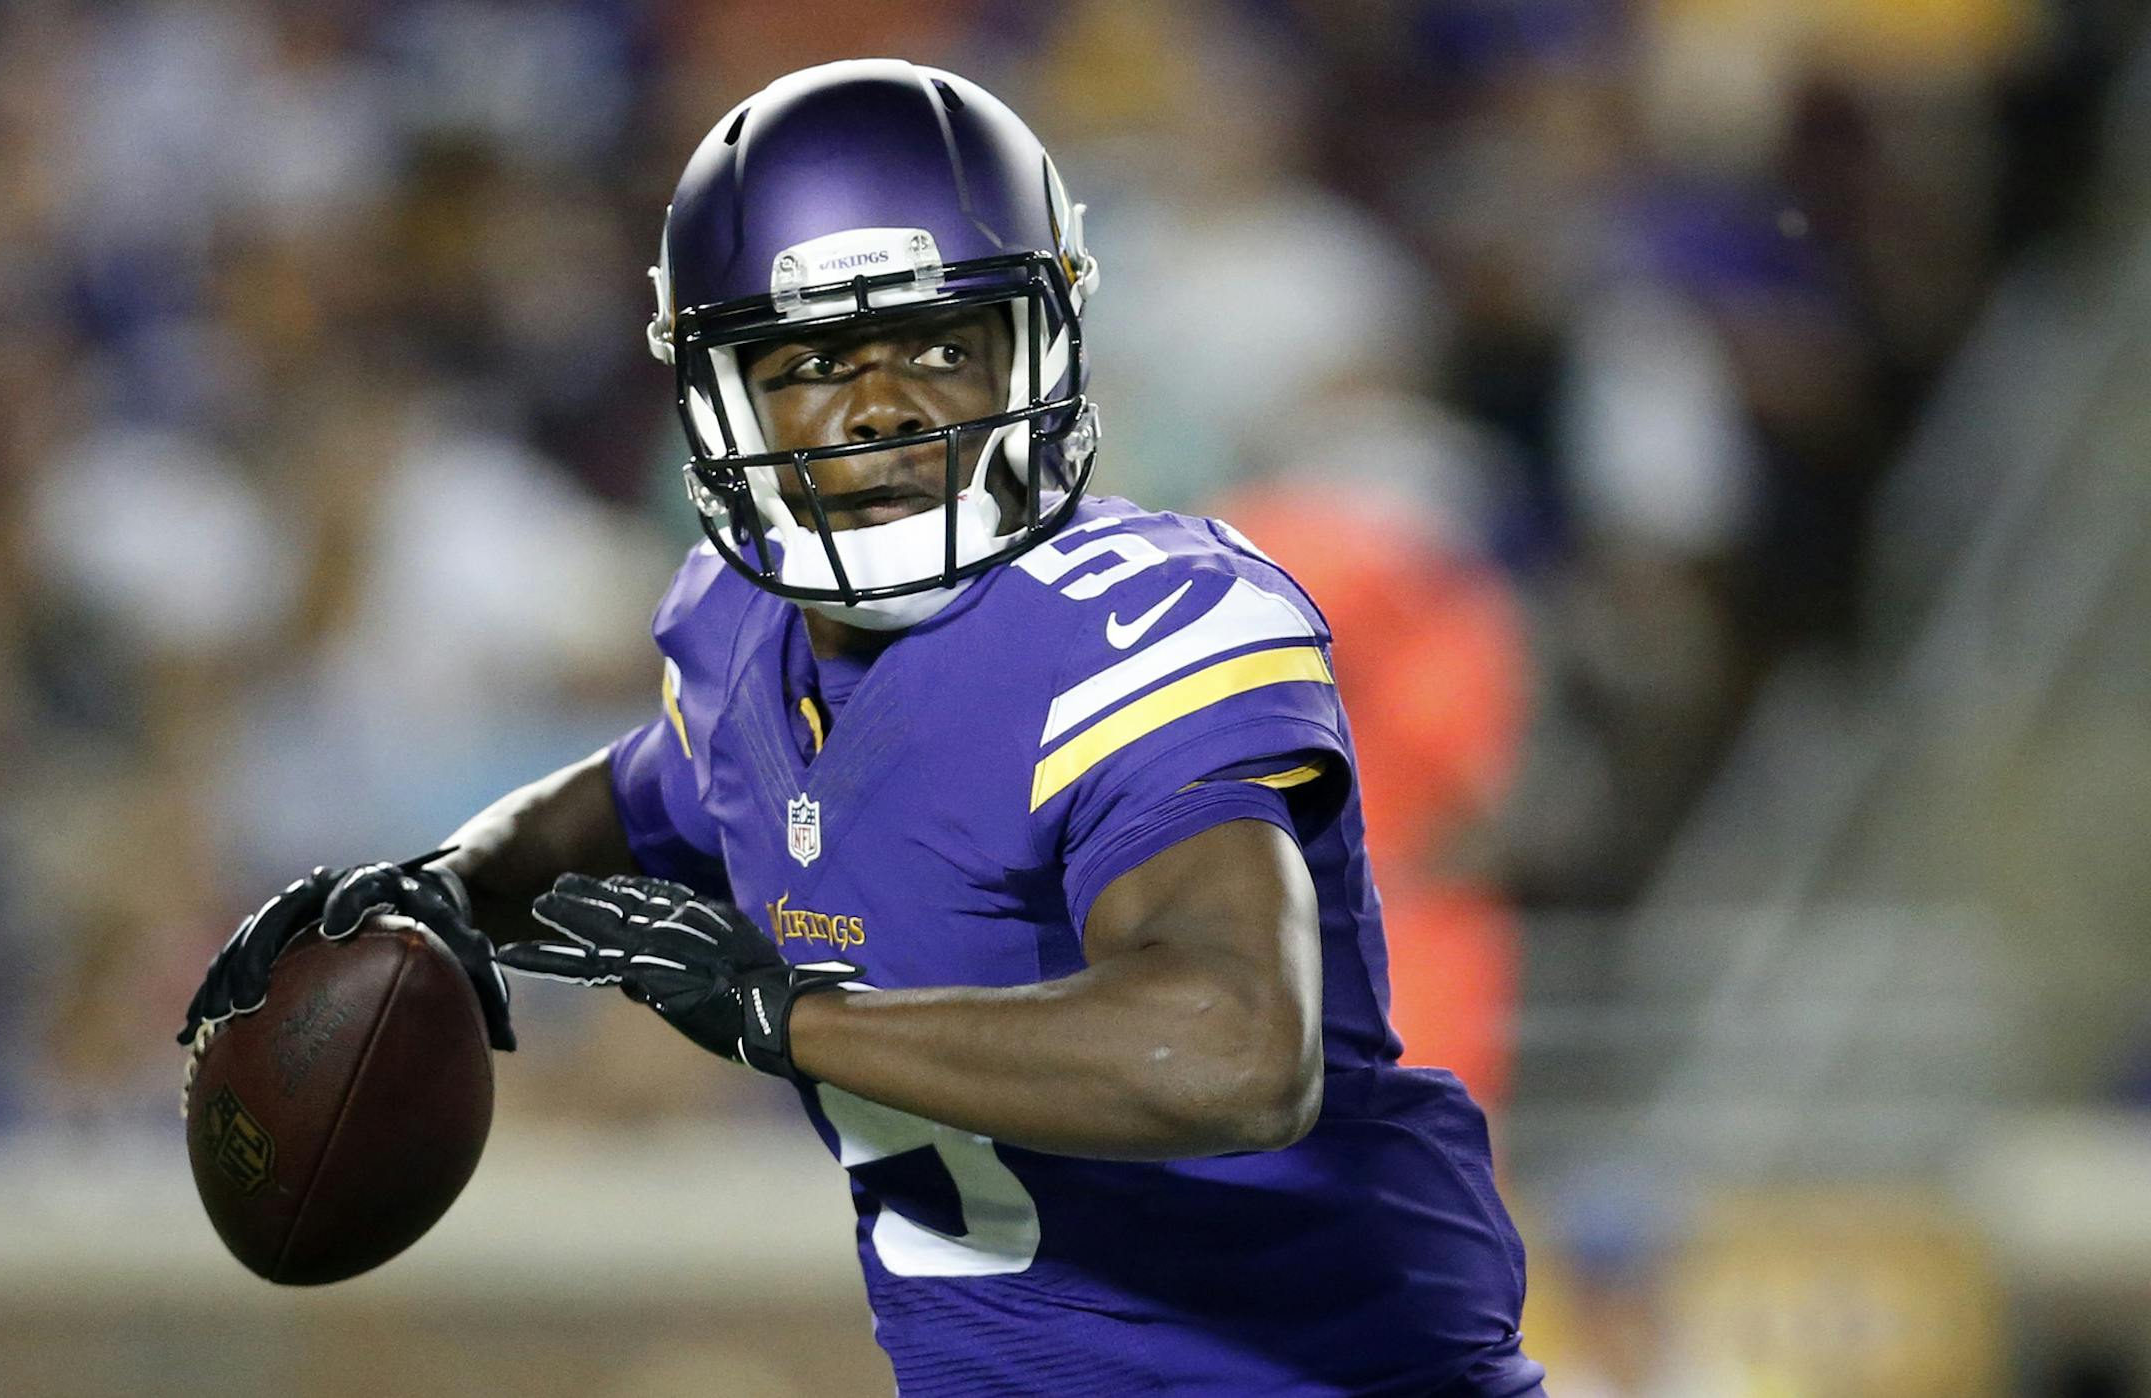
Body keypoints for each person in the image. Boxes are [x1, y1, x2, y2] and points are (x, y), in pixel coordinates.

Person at [180, 60, 1548, 1397]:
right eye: (813, 360)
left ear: (1046, 344)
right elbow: (644, 795)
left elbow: (1237, 1047)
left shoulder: (1143, 628)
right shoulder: (736, 634)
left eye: (943, 344)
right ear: (715, 393)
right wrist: (442, 892)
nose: (881, 403)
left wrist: (799, 1017)